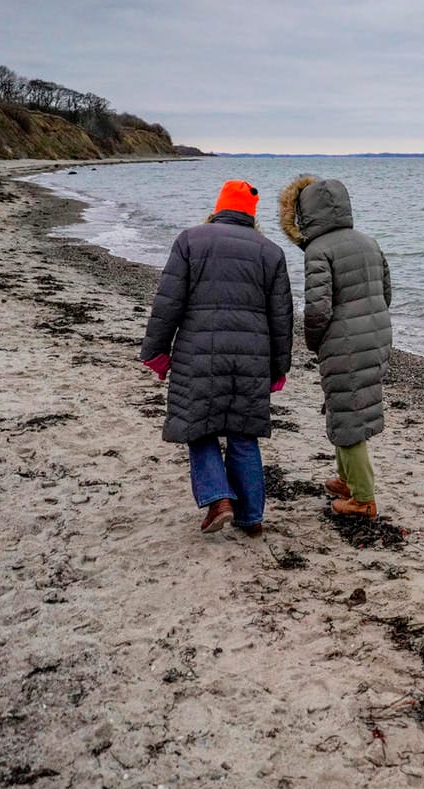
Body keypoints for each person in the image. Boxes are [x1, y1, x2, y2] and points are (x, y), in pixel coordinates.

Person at [140, 180, 292, 534]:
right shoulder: (271, 252)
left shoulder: (190, 240)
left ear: (218, 208)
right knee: (243, 434)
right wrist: (278, 367)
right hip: (252, 359)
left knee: (199, 428)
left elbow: (168, 302)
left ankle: (219, 498)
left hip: (198, 355)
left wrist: (156, 352)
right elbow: (282, 318)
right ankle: (251, 518)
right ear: (251, 216)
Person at [278, 176, 392, 518]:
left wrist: (314, 342)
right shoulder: (368, 242)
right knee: (347, 407)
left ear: (304, 215)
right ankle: (346, 479)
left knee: (348, 416)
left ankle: (363, 499)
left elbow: (317, 309)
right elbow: (387, 294)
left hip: (343, 340)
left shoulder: (318, 251)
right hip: (376, 334)